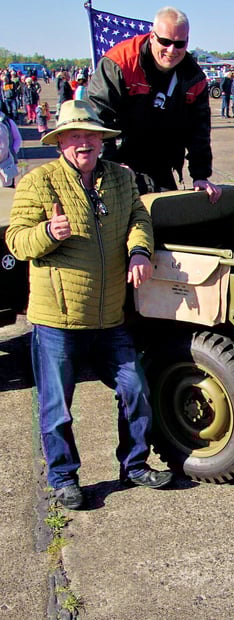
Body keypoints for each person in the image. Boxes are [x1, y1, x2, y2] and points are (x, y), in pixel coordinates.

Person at [5, 100, 175, 510]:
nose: (85, 143)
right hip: (57, 321)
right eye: (76, 136)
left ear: (102, 140)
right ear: (61, 141)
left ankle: (135, 464)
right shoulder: (38, 181)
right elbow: (17, 241)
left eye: (91, 135)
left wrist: (139, 251)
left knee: (136, 390)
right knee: (57, 408)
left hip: (110, 315)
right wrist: (48, 231)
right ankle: (63, 477)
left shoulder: (119, 179)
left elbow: (139, 218)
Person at [88, 6, 221, 201]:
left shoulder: (194, 77)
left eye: (179, 44)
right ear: (152, 37)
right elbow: (98, 119)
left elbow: (198, 131)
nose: (171, 50)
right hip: (118, 158)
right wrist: (108, 167)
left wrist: (200, 176)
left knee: (168, 214)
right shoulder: (120, 63)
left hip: (160, 159)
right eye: (165, 42)